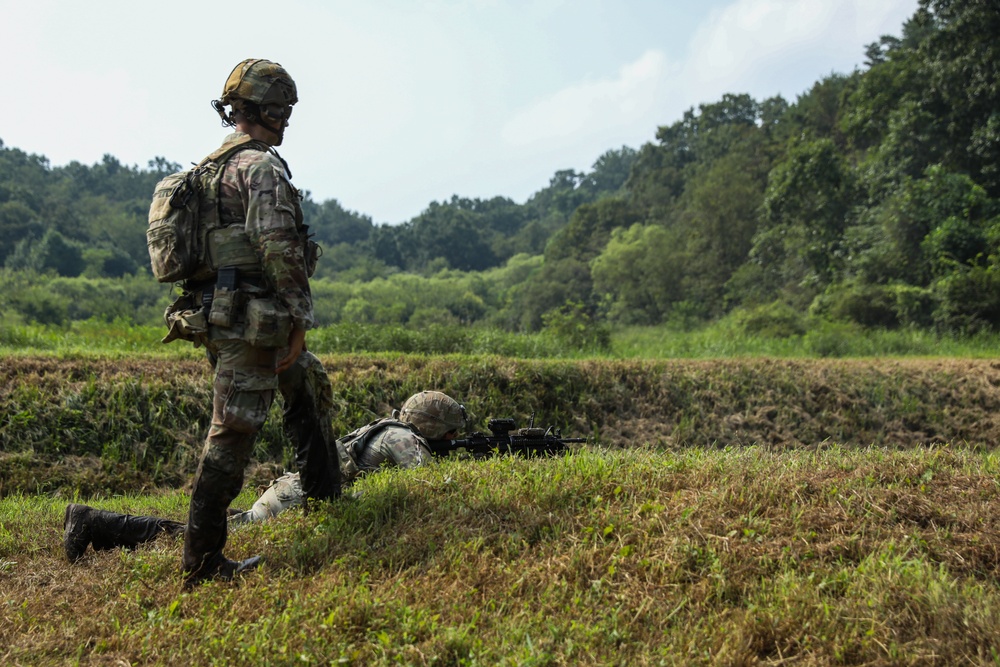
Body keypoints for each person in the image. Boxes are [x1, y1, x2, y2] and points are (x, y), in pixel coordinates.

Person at [169, 58, 341, 588]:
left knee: (306, 381)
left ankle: (326, 493)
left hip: (225, 315)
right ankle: (201, 561)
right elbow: (279, 247)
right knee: (234, 431)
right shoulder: (259, 167)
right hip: (252, 321)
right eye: (280, 109)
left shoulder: (211, 166)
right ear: (257, 109)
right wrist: (299, 319)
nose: (287, 119)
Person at [63, 391, 467, 564]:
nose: (453, 440)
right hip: (294, 500)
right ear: (435, 429)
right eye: (451, 434)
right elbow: (427, 488)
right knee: (198, 535)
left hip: (291, 492)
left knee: (216, 527)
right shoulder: (405, 441)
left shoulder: (387, 430)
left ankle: (99, 522)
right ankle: (96, 522)